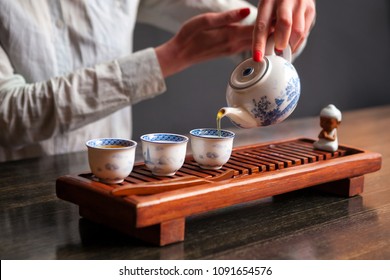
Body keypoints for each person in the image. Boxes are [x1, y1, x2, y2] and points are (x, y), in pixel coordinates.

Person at [0, 0, 315, 162]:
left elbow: (250, 29)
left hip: (112, 188)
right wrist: (170, 57)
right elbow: (8, 116)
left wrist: (285, 18)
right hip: (15, 201)